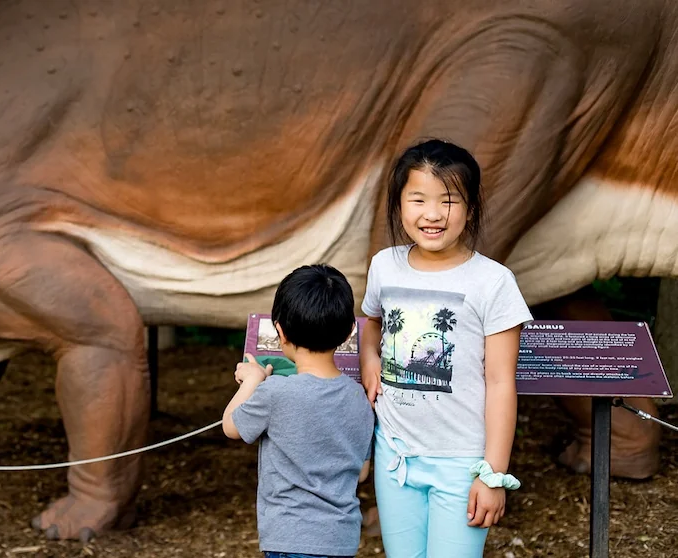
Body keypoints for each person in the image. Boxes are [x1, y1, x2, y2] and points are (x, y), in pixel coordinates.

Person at [360, 138, 532, 557]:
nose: (433, 214)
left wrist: (493, 475)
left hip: (462, 463)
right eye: (418, 199)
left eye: (449, 201)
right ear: (399, 204)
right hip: (394, 455)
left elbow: (501, 383)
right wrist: (369, 357)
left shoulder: (493, 282)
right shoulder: (385, 265)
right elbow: (371, 320)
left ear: (470, 208)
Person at [224, 264, 375, 558]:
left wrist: (252, 380)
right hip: (341, 539)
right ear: (349, 332)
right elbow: (361, 473)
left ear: (279, 330)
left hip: (289, 538)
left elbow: (231, 426)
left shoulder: (276, 392)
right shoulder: (360, 398)